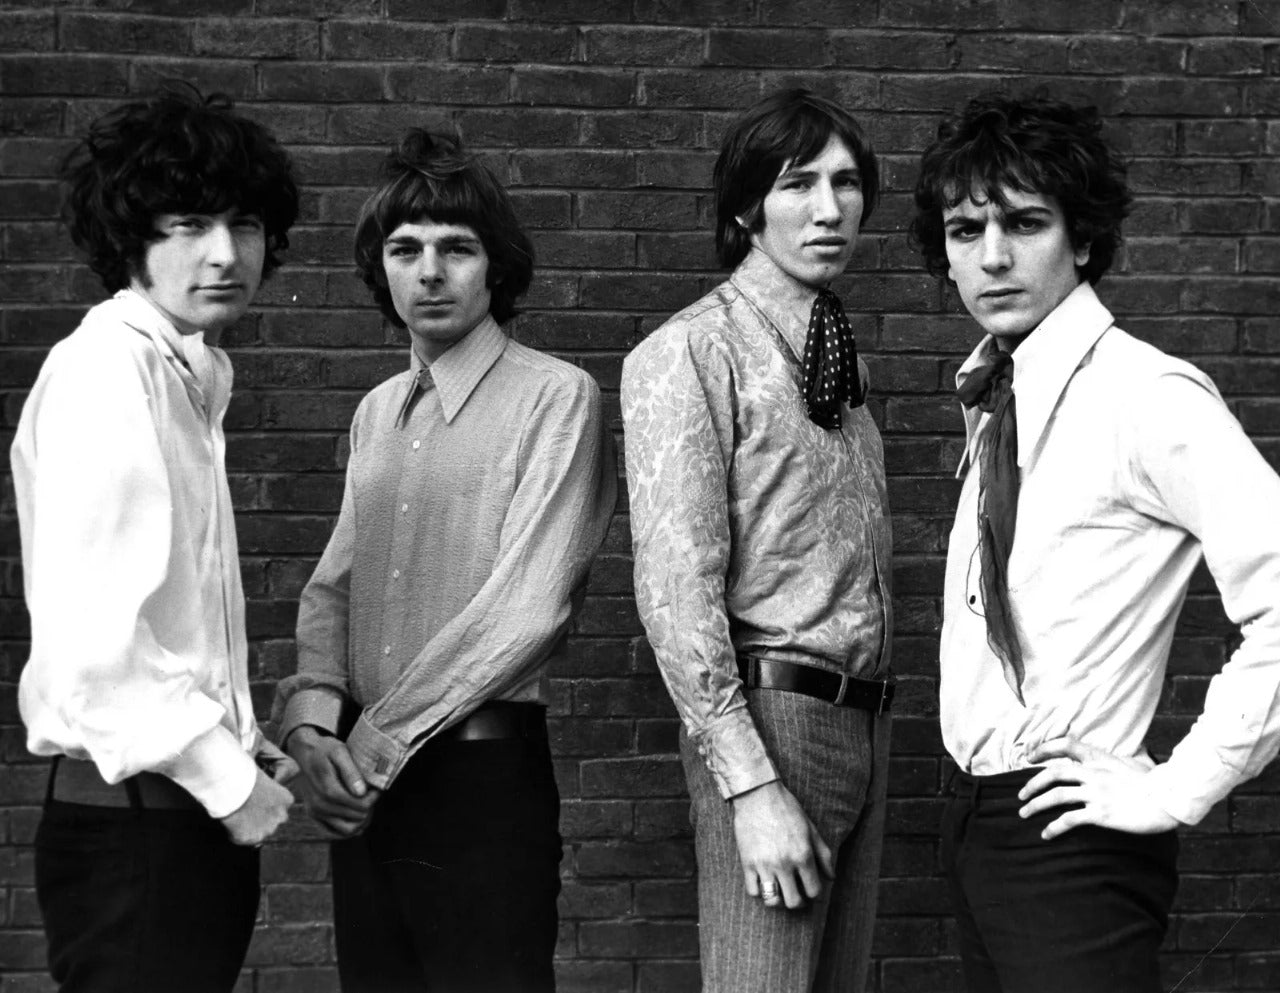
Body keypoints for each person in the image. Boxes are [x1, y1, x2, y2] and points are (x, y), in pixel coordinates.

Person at [912, 92, 1280, 993]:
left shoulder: (1145, 396)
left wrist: (1174, 787)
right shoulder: (997, 391)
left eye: (1025, 223)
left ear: (1082, 239)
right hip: (975, 820)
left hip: (1071, 848)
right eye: (966, 230)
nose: (991, 256)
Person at [274, 128, 616, 993]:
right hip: (365, 786)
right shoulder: (377, 409)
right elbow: (332, 587)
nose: (429, 271)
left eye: (456, 248)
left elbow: (528, 608)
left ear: (495, 265)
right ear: (380, 268)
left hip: (479, 784)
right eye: (405, 248)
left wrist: (372, 746)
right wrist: (313, 726)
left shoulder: (557, 397)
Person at [11, 86, 300, 993]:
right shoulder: (108, 371)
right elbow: (100, 644)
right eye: (187, 224)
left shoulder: (185, 372)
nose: (223, 254)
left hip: (169, 827)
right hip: (136, 830)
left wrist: (241, 741)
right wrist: (230, 778)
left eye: (244, 225)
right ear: (130, 239)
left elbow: (170, 613)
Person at [621, 88, 894, 993]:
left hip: (864, 720)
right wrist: (750, 785)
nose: (830, 208)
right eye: (798, 183)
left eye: (847, 183)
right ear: (746, 209)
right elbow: (674, 589)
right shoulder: (692, 350)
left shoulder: (835, 353)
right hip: (774, 724)